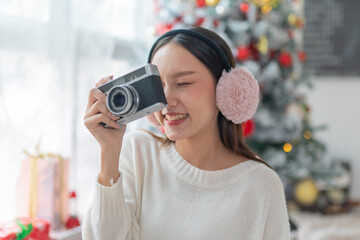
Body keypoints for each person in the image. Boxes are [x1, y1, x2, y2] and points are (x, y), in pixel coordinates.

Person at [82, 27, 291, 240]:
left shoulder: (261, 184)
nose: (167, 100)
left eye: (183, 83)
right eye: (158, 86)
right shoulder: (137, 153)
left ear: (227, 89)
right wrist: (109, 150)